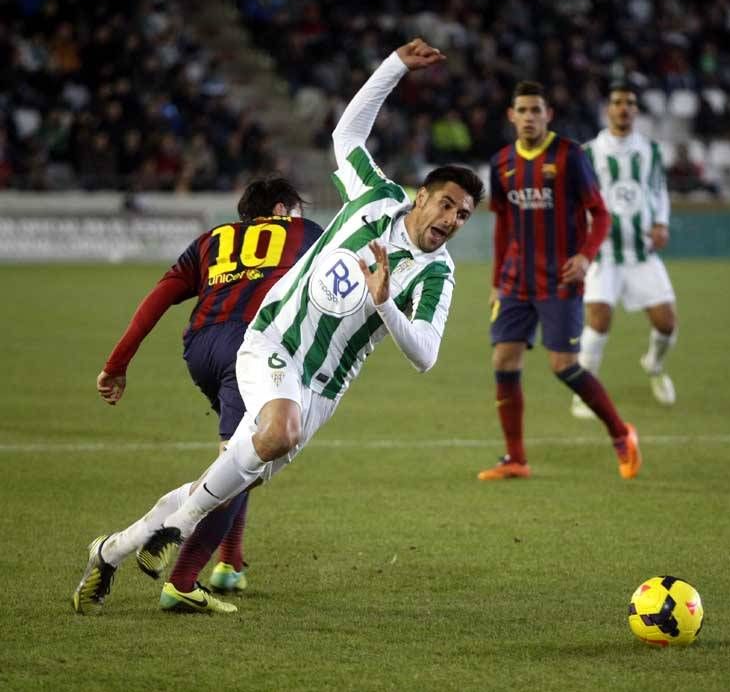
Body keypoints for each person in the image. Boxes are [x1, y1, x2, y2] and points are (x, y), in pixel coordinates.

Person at [73, 38, 484, 614]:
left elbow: (426, 356)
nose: (450, 219)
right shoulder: (374, 197)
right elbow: (347, 135)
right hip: (268, 344)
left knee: (228, 477)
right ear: (422, 196)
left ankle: (112, 551)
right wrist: (393, 68)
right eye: (445, 203)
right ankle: (176, 534)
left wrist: (386, 303)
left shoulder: (437, 275)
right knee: (274, 434)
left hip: (321, 390)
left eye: (462, 215)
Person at [73, 177, 324, 614]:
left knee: (241, 450)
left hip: (201, 346)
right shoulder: (303, 233)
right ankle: (181, 581)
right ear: (283, 210)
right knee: (244, 463)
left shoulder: (212, 240)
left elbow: (160, 296)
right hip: (252, 346)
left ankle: (229, 563)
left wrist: (116, 364)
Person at [478, 81, 641, 481]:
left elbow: (600, 214)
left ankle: (621, 434)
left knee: (564, 366)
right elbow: (502, 224)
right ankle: (515, 458)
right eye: (523, 110)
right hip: (516, 279)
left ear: (548, 115)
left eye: (537, 110)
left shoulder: (570, 156)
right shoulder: (501, 163)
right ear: (511, 116)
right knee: (503, 359)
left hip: (560, 279)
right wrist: (497, 279)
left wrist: (586, 256)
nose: (530, 117)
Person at [571, 81, 678, 419]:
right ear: (608, 109)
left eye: (630, 103)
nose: (624, 108)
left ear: (636, 110)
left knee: (667, 323)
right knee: (599, 320)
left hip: (642, 252)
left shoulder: (651, 150)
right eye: (618, 102)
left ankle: (655, 365)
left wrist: (661, 222)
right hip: (602, 253)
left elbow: (658, 190)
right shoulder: (588, 152)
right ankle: (584, 393)